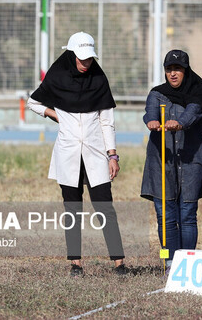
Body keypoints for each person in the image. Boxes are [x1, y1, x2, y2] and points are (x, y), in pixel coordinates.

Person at [27, 31, 129, 277]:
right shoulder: (58, 76)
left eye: (90, 58)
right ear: (72, 54)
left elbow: (107, 122)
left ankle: (119, 262)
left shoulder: (99, 80)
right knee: (72, 208)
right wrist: (57, 115)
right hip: (68, 154)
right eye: (82, 58)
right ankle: (75, 263)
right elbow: (33, 102)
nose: (86, 63)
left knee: (105, 207)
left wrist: (112, 155)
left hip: (96, 155)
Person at [141, 49, 202, 272]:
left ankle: (188, 263)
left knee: (186, 214)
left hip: (190, 160)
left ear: (186, 71)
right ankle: (169, 262)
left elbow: (194, 112)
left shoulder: (197, 91)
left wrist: (180, 123)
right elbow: (150, 112)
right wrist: (152, 121)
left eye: (177, 69)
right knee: (165, 215)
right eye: (169, 69)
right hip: (161, 161)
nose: (173, 74)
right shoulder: (157, 93)